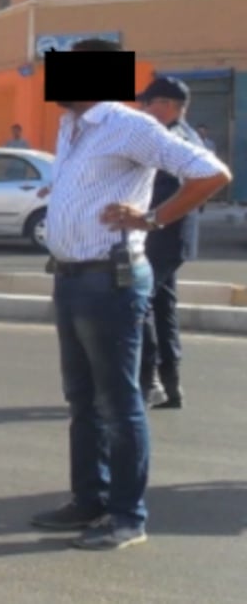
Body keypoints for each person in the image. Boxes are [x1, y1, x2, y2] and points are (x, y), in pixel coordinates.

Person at [28, 39, 229, 550]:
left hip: (109, 280)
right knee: (82, 400)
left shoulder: (130, 125)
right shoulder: (73, 124)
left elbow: (211, 174)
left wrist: (154, 218)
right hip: (72, 276)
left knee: (119, 404)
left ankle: (126, 518)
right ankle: (88, 500)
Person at [135, 77, 202, 410]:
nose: (143, 108)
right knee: (162, 308)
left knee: (138, 303)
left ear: (169, 105)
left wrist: (145, 216)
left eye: (149, 102)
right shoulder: (188, 135)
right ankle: (171, 385)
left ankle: (150, 383)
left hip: (162, 235)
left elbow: (173, 190)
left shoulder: (172, 139)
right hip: (173, 237)